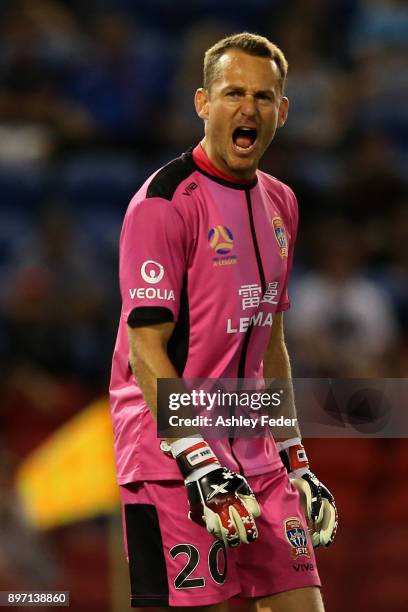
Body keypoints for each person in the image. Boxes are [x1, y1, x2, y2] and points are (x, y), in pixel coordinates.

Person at [109, 32, 337, 612]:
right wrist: (199, 459)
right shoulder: (163, 203)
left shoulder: (282, 201)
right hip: (171, 460)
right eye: (233, 92)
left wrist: (296, 455)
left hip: (257, 458)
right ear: (202, 103)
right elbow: (145, 350)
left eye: (263, 98)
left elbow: (272, 343)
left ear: (282, 111)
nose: (248, 109)